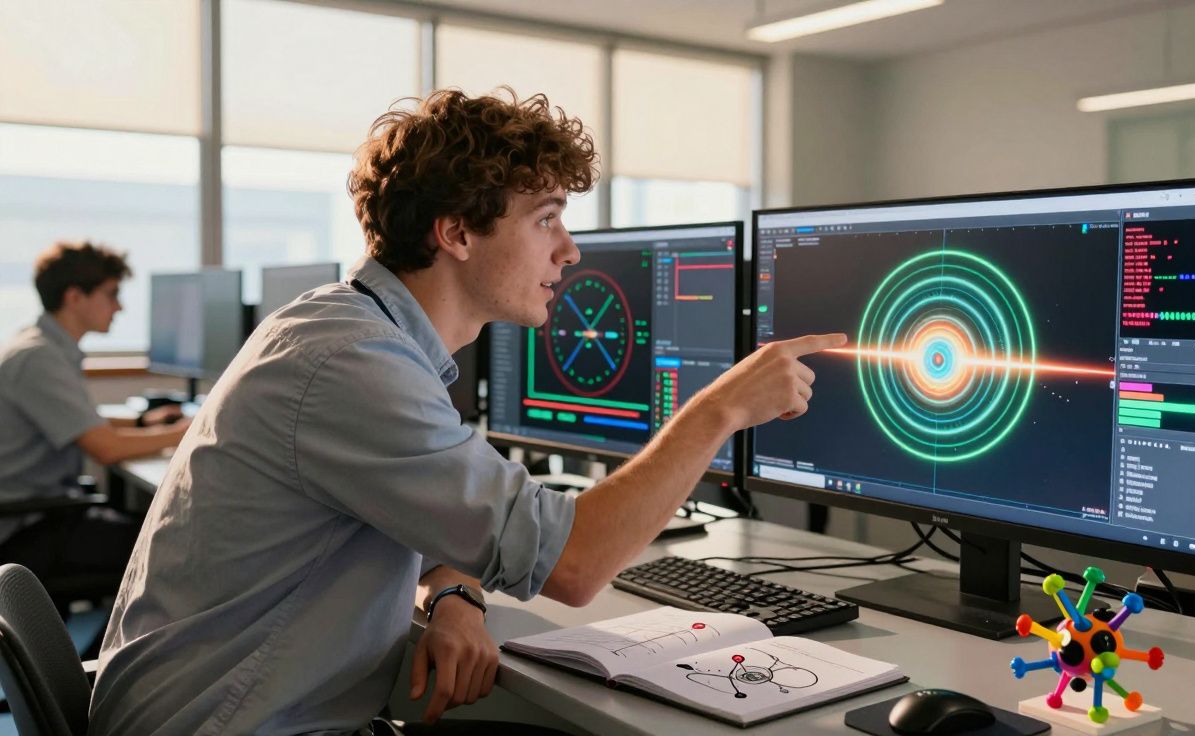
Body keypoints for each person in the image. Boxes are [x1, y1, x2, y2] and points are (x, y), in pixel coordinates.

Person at [87, 89, 844, 736]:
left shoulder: (353, 334)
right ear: (454, 232)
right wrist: (718, 410)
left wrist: (452, 591)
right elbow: (575, 566)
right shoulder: (353, 365)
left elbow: (419, 514)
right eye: (546, 218)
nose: (571, 250)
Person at [0, 241, 191, 590]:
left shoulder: (40, 345)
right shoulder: (38, 359)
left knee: (154, 529)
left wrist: (140, 423)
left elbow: (77, 417)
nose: (119, 306)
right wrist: (190, 431)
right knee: (176, 546)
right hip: (22, 531)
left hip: (39, 514)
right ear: (75, 297)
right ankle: (101, 647)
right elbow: (106, 449)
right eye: (111, 293)